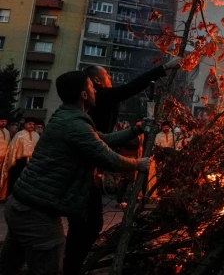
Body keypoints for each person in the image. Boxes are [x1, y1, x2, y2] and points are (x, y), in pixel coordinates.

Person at [0, 71, 151, 275]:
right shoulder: (75, 125)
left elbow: (103, 139)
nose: (95, 91)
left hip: (21, 205)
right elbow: (108, 158)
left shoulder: (68, 116)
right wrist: (138, 163)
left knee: (8, 267)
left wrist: (136, 130)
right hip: (37, 214)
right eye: (91, 87)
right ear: (83, 94)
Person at [59, 58, 180, 275]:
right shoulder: (101, 97)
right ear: (96, 81)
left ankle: (72, 264)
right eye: (106, 75)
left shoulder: (98, 102)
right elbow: (130, 88)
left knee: (86, 222)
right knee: (87, 222)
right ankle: (71, 267)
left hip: (88, 168)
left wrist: (136, 129)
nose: (110, 79)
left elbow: (104, 137)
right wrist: (164, 68)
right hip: (82, 170)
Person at [0, 118, 40, 200]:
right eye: (29, 124)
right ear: (25, 125)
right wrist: (12, 161)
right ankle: (10, 197)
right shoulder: (19, 135)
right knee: (14, 179)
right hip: (19, 161)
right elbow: (12, 148)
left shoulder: (37, 135)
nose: (31, 126)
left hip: (32, 162)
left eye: (33, 124)